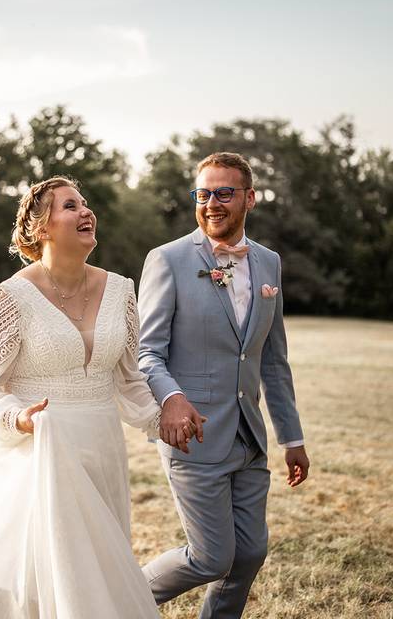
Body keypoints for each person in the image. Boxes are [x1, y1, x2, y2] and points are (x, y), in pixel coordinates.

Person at [0, 176, 200, 619]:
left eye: (86, 204)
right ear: (42, 227)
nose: (86, 212)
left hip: (101, 446)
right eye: (71, 205)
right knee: (36, 574)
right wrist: (18, 418)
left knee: (92, 571)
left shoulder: (120, 290)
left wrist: (161, 419)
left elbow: (128, 380)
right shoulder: (9, 297)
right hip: (39, 449)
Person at [138, 152, 311, 619]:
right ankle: (118, 597)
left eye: (224, 193)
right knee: (212, 557)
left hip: (249, 437)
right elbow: (146, 351)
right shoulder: (168, 260)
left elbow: (273, 360)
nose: (212, 203)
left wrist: (291, 438)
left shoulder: (269, 263)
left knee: (250, 554)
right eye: (203, 193)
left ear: (249, 198)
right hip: (192, 437)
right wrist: (172, 399)